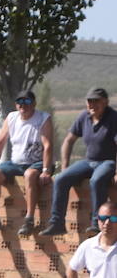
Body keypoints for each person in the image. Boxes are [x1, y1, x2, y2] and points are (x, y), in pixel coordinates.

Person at [39, 88, 117, 238]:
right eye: (89, 101)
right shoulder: (84, 117)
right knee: (61, 178)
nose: (92, 104)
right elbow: (68, 141)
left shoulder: (113, 118)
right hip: (89, 162)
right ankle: (57, 223)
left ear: (105, 102)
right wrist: (65, 166)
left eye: (96, 101)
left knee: (97, 180)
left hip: (108, 162)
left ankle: (96, 223)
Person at [0, 89, 53, 236]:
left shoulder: (43, 118)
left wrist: (46, 170)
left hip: (36, 162)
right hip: (15, 163)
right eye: (19, 102)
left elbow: (48, 145)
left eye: (27, 101)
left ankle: (29, 219)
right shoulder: (12, 117)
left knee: (30, 175)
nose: (22, 105)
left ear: (34, 103)